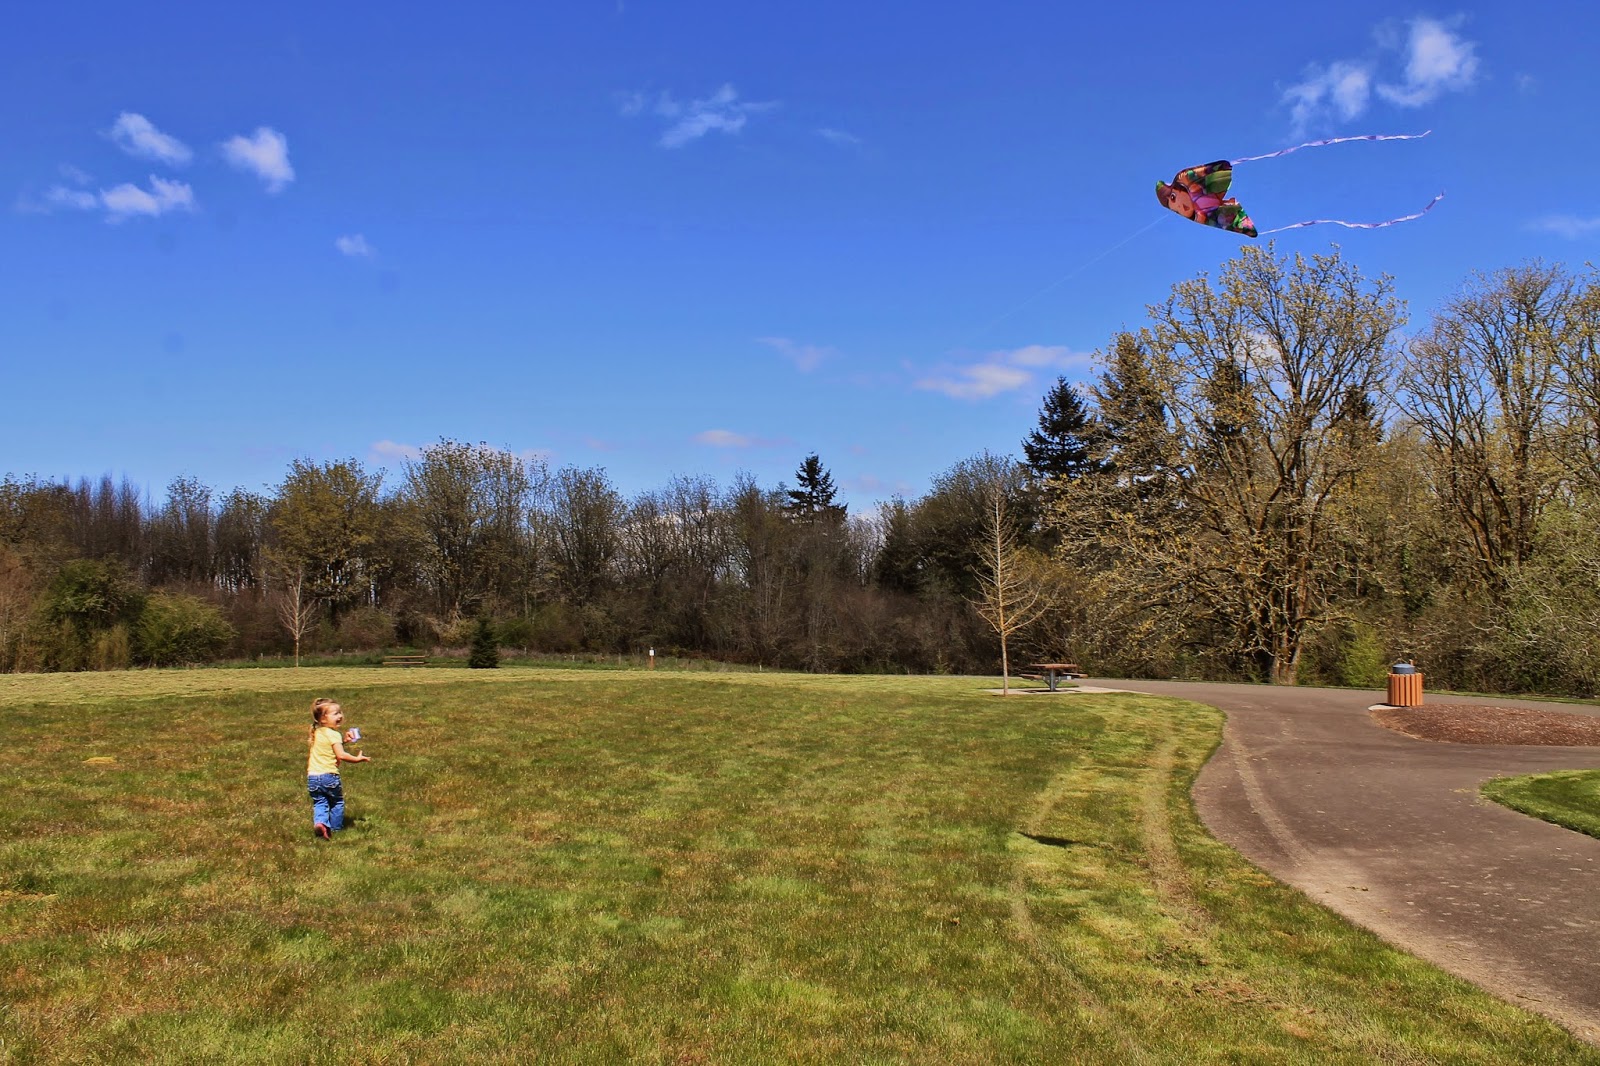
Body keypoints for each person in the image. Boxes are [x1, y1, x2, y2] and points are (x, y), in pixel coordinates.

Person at [306, 697, 371, 839]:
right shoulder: (334, 734)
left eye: (340, 712)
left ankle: (320, 823)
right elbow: (341, 755)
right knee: (336, 802)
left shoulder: (317, 732)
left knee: (320, 802)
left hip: (312, 777)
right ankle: (335, 829)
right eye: (335, 713)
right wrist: (357, 759)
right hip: (329, 776)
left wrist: (344, 741)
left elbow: (329, 748)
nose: (340, 716)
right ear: (323, 719)